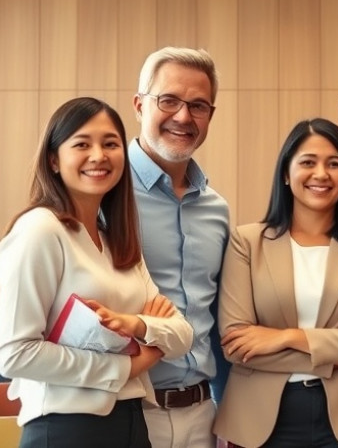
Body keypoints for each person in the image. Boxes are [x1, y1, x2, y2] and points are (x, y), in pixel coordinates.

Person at [0, 97, 193, 448]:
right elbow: (15, 353)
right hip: (65, 429)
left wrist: (136, 324)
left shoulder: (117, 239)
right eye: (82, 144)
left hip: (132, 423)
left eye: (110, 144)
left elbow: (182, 334)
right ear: (54, 160)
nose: (98, 156)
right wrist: (132, 364)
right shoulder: (40, 230)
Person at [213, 118, 338, 448]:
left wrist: (288, 337)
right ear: (286, 173)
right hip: (260, 422)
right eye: (308, 162)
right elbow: (237, 345)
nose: (321, 174)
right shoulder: (247, 242)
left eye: (334, 164)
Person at [131, 47, 230, 447]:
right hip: (128, 410)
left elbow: (217, 322)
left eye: (198, 105)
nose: (183, 116)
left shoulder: (217, 210)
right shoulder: (103, 196)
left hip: (202, 416)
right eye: (168, 100)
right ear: (139, 105)